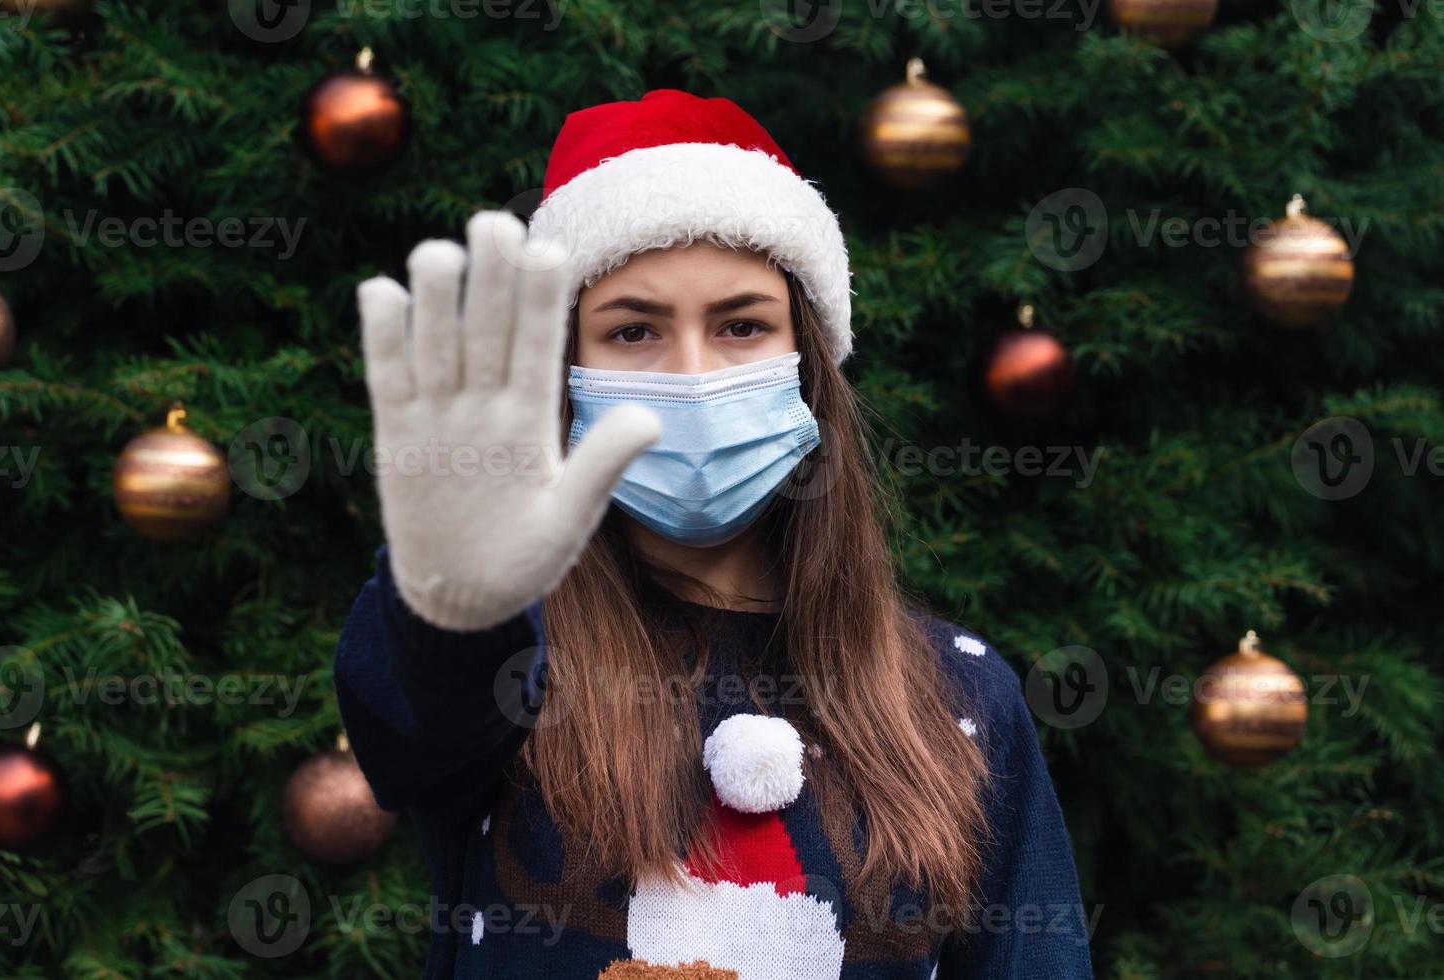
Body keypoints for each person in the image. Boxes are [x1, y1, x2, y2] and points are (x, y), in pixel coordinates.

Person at [335, 89, 1093, 980]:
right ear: (564, 373)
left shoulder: (957, 697)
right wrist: (449, 601)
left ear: (806, 361)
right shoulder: (511, 664)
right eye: (632, 330)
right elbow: (408, 714)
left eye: (741, 325)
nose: (692, 375)